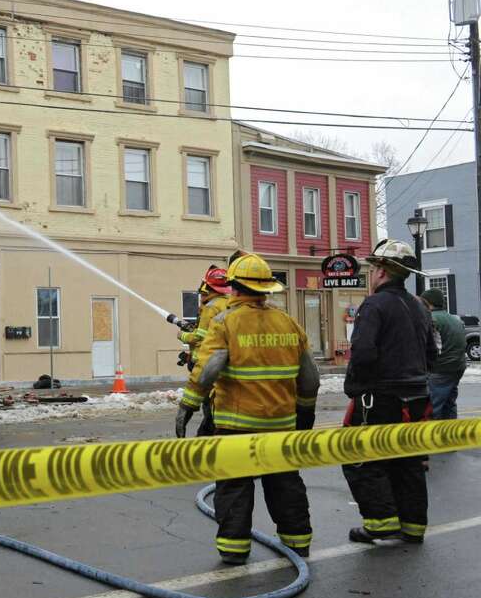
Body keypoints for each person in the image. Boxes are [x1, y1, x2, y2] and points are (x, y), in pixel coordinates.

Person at [176, 252, 320, 564]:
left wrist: (188, 404)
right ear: (267, 289)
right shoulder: (288, 323)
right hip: (281, 424)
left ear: (234, 287)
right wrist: (305, 412)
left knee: (234, 487)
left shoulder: (225, 322)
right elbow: (310, 377)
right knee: (285, 485)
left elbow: (210, 366)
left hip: (236, 425)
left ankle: (234, 549)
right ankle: (297, 545)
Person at [341, 240, 435, 545]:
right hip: (418, 398)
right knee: (408, 460)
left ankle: (379, 523)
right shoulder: (419, 306)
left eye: (372, 269)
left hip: (380, 398)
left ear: (380, 271)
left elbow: (364, 353)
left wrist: (355, 387)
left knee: (358, 455)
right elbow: (432, 353)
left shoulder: (374, 305)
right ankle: (413, 525)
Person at [177, 265, 233, 436]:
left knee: (208, 402)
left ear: (207, 287)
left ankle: (209, 431)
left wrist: (183, 335)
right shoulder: (229, 303)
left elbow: (200, 338)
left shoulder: (211, 307)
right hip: (224, 360)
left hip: (205, 362)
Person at [420, 287, 466, 421]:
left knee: (433, 407)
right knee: (449, 403)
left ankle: (433, 437)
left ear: (428, 303)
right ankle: (451, 435)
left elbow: (428, 346)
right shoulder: (455, 319)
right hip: (457, 367)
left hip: (440, 369)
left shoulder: (432, 319)